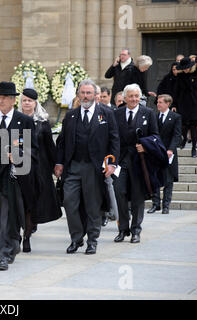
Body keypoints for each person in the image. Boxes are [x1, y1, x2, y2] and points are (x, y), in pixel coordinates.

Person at [55, 79, 119, 255]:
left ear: (95, 95)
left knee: (93, 206)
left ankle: (92, 240)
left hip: (94, 168)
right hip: (73, 167)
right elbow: (61, 142)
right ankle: (76, 238)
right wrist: (59, 163)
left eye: (88, 93)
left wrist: (112, 163)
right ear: (78, 95)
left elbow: (114, 139)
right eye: (82, 93)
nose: (85, 96)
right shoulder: (71, 116)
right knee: (69, 202)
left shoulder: (106, 113)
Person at [0, 81, 38, 270]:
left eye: (5, 97)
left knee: (6, 214)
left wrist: (20, 156)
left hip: (14, 176)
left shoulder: (25, 121)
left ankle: (2, 255)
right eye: (0, 97)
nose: (1, 100)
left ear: (13, 100)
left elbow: (33, 150)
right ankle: (13, 240)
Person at [113, 84, 159, 244]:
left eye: (136, 96)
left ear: (140, 98)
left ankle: (135, 231)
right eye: (130, 96)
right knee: (119, 193)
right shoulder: (117, 113)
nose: (133, 99)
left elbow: (155, 136)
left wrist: (145, 145)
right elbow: (112, 136)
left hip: (140, 162)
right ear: (125, 98)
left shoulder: (148, 113)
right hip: (121, 161)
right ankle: (122, 229)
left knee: (138, 197)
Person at [19, 88, 62, 252]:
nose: (27, 103)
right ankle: (16, 233)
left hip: (38, 168)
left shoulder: (42, 123)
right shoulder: (16, 120)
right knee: (19, 202)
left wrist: (56, 165)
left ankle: (27, 236)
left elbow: (50, 147)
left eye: (29, 101)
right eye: (24, 100)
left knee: (32, 203)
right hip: (19, 168)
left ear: (35, 103)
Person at [148, 95, 182, 215]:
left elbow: (177, 135)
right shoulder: (155, 117)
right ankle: (155, 204)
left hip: (168, 153)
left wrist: (171, 149)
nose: (158, 104)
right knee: (155, 179)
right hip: (156, 153)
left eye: (161, 102)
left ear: (168, 104)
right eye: (157, 102)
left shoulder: (175, 117)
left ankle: (166, 206)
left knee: (168, 180)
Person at [174, 57, 197, 158]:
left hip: (195, 102)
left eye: (187, 68)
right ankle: (184, 140)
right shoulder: (180, 76)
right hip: (183, 103)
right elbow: (176, 91)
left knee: (194, 126)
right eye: (184, 68)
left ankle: (194, 148)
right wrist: (174, 105)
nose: (185, 69)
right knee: (184, 125)